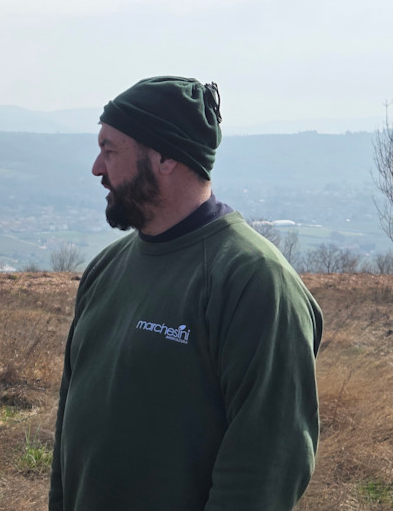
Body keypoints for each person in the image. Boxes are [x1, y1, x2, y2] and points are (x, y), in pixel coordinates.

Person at [49, 76, 323, 510]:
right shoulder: (105, 269)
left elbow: (267, 463)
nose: (97, 168)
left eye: (110, 150)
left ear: (165, 157)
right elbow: (71, 430)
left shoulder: (254, 281)